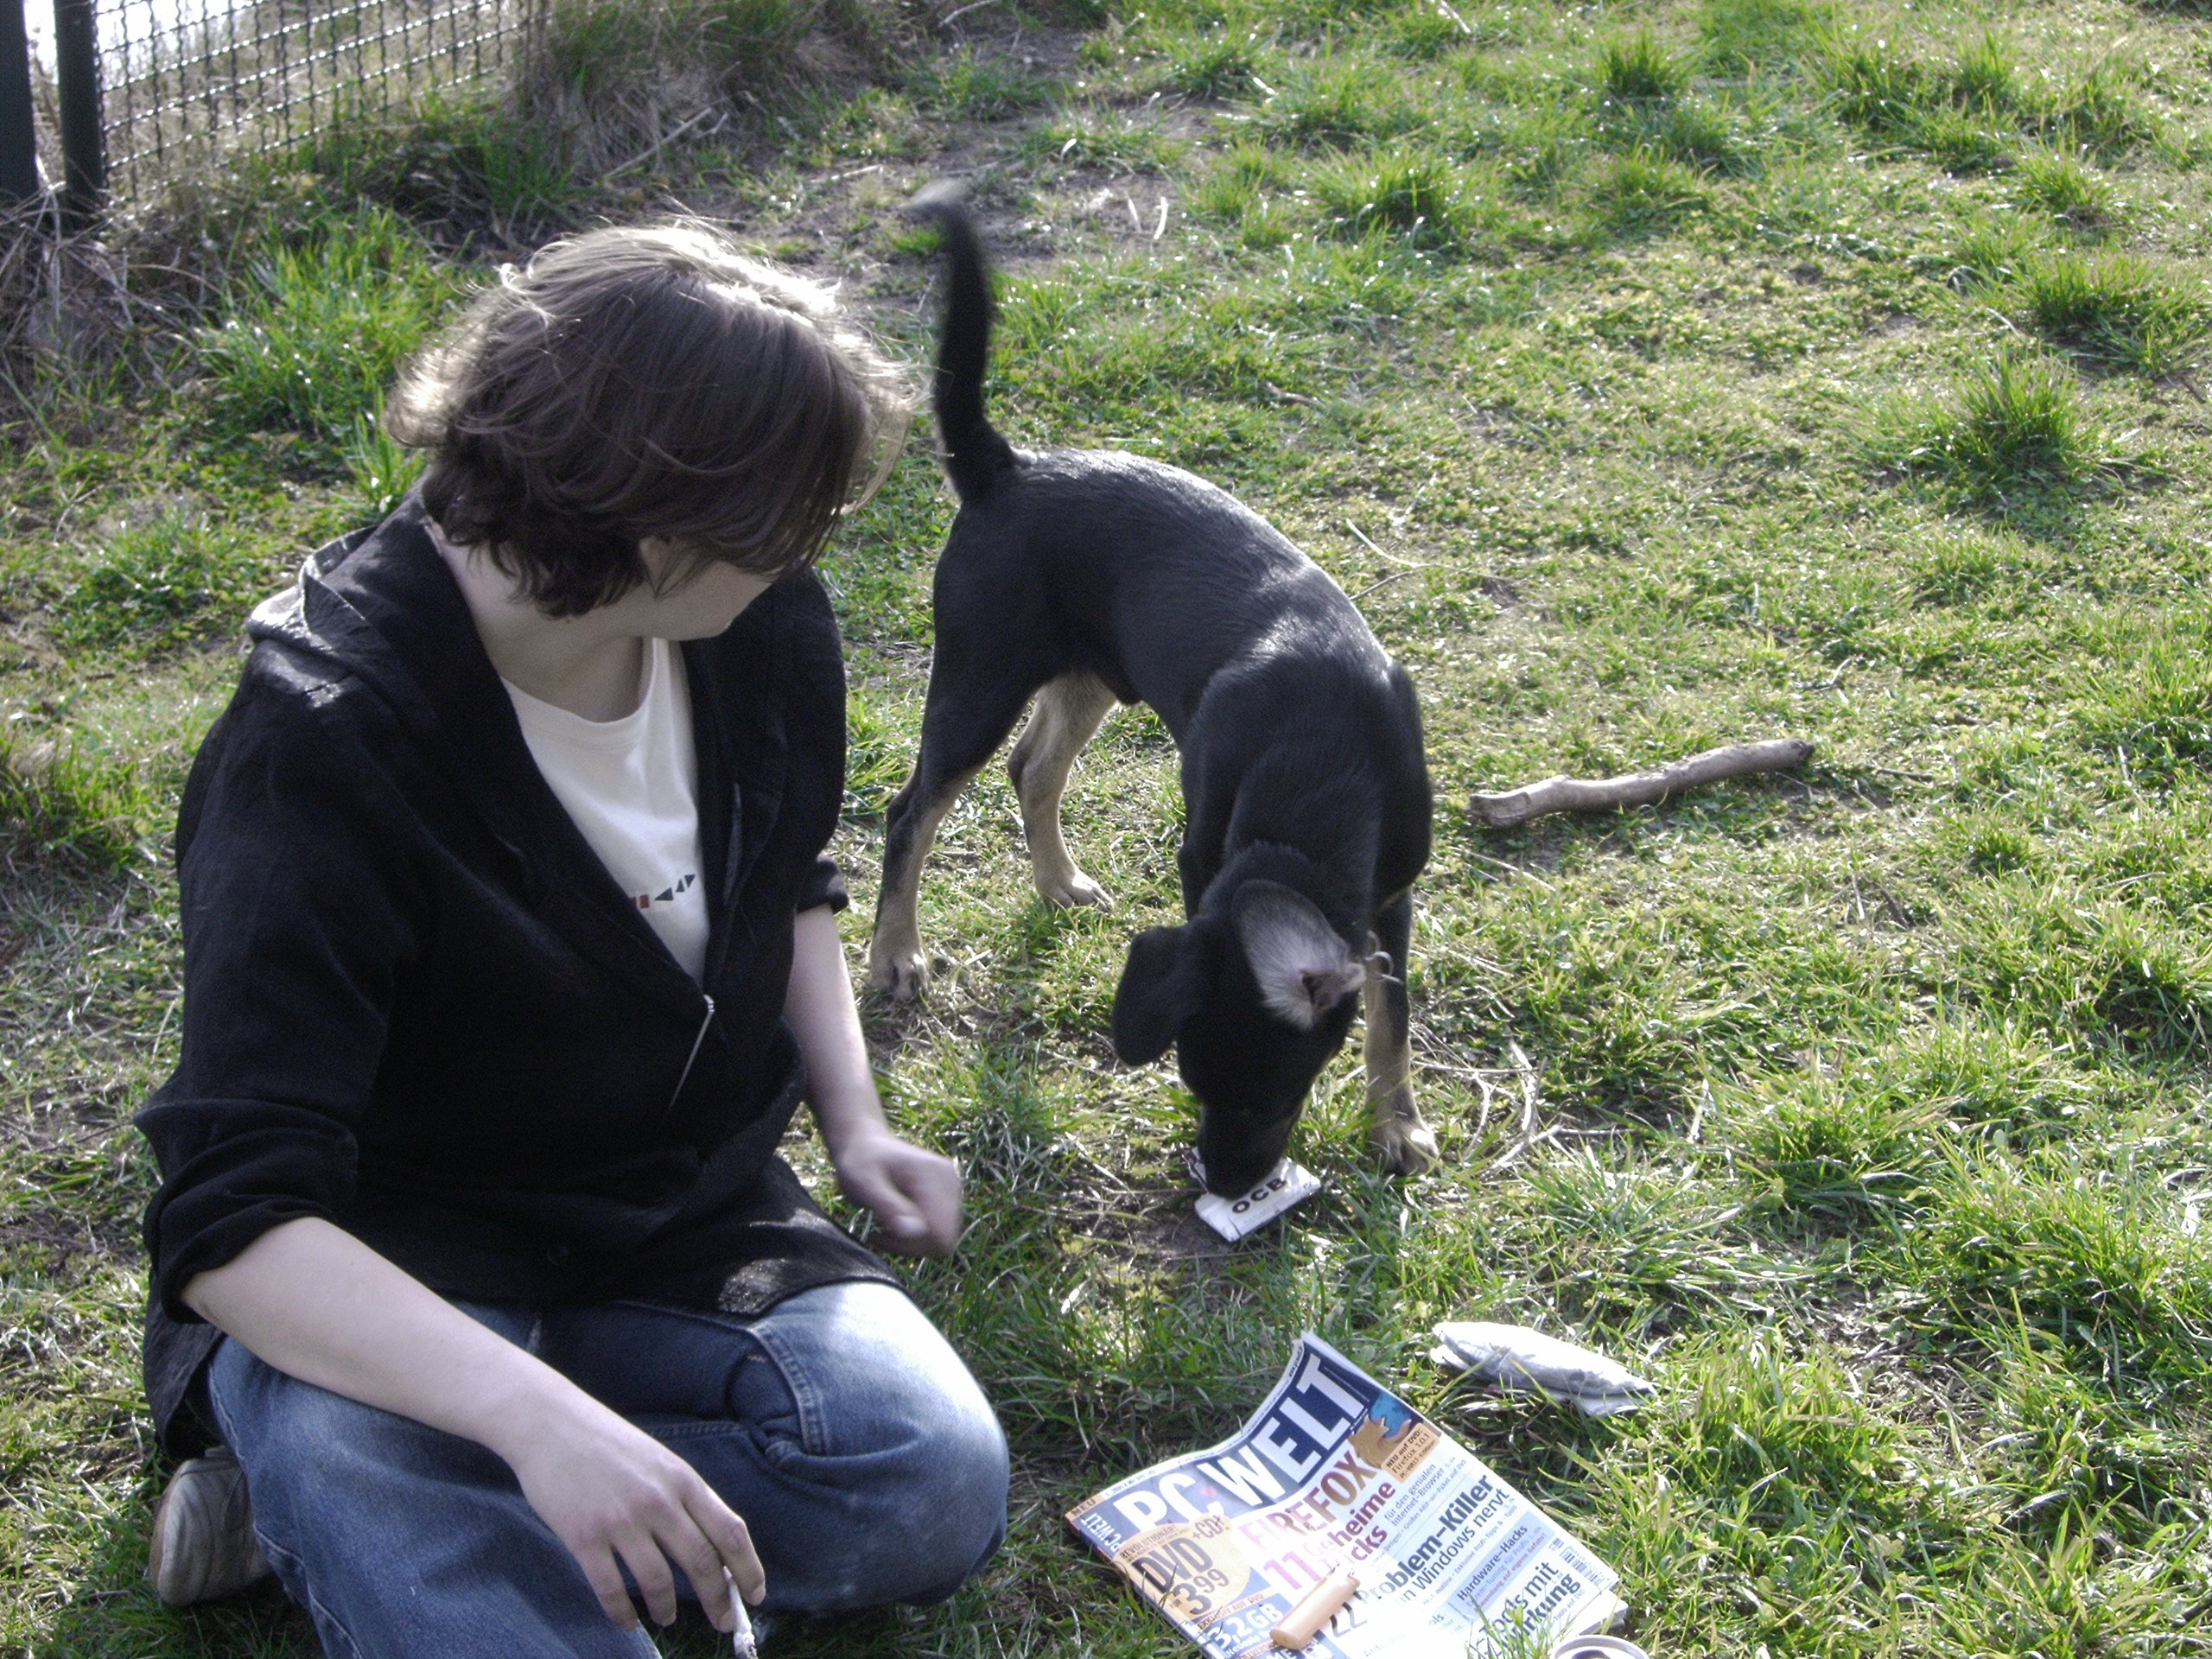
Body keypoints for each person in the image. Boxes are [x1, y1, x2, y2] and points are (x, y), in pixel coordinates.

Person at [133, 223, 1011, 1656]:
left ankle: (340, 1515)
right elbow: (233, 1220)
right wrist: (532, 1417)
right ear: (660, 528)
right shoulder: (322, 747)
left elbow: (784, 876)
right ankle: (357, 1469)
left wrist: (852, 1119)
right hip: (395, 1266)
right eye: (794, 517)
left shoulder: (758, 627)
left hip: (673, 1218)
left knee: (928, 1476)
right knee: (430, 1514)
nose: (813, 550)